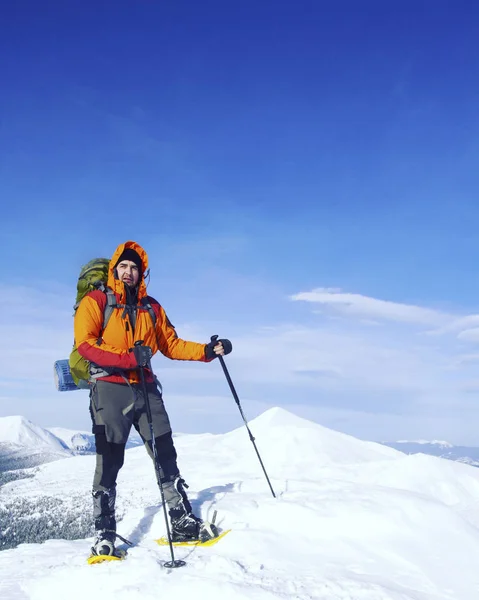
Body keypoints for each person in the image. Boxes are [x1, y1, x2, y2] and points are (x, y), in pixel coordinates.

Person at [74, 240, 232, 557]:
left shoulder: (152, 307)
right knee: (109, 461)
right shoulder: (96, 301)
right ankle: (104, 533)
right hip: (110, 388)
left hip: (146, 388)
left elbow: (171, 344)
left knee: (165, 452)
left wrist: (206, 351)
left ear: (141, 272)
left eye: (135, 267)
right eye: (124, 267)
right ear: (115, 269)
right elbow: (85, 345)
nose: (129, 272)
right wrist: (128, 358)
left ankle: (181, 520)